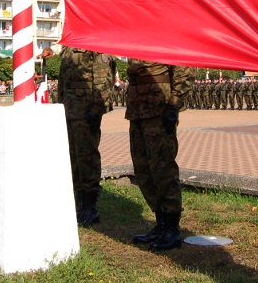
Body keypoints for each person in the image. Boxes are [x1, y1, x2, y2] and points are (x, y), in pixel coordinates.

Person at [126, 58, 193, 251]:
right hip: (137, 111)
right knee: (143, 168)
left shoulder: (166, 34)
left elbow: (185, 70)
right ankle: (160, 223)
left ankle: (172, 228)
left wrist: (174, 104)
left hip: (159, 111)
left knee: (163, 169)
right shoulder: (135, 40)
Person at [59, 46, 116, 227]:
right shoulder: (69, 47)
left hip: (86, 110)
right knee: (74, 157)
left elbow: (103, 77)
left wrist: (97, 107)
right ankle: (79, 203)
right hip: (70, 109)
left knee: (87, 156)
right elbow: (63, 80)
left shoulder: (93, 43)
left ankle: (90, 206)